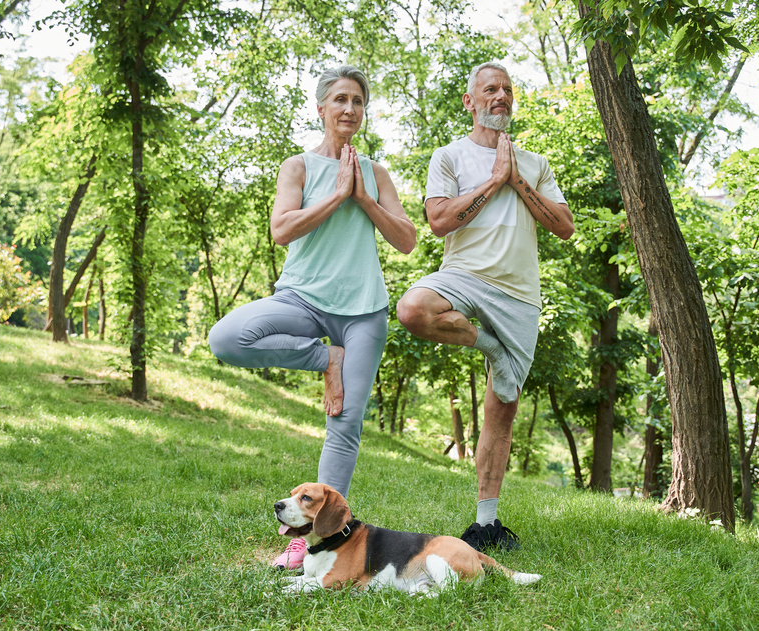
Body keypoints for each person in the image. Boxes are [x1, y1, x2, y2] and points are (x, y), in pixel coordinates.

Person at [209, 65, 416, 570]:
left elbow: (407, 241)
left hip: (363, 309)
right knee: (227, 338)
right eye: (340, 99)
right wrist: (336, 196)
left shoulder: (377, 173)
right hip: (301, 299)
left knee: (343, 425)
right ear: (321, 108)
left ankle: (308, 547)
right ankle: (327, 357)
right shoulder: (297, 166)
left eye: (358, 102)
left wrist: (362, 195)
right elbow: (282, 230)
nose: (349, 109)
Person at [396, 62, 574, 552]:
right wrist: (493, 182)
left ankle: (487, 524)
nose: (501, 96)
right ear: (469, 100)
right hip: (465, 276)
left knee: (503, 408)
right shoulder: (449, 156)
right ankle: (491, 347)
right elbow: (438, 221)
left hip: (519, 294)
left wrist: (517, 180)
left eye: (508, 90)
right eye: (490, 89)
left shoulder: (534, 163)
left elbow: (563, 226)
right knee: (413, 309)